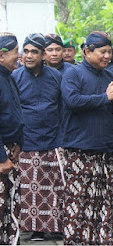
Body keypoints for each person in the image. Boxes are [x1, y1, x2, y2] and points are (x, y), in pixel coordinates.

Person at [61, 31, 113, 245]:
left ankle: (102, 240)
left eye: (109, 52)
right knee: (80, 202)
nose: (108, 56)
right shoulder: (74, 74)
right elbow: (72, 101)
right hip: (81, 149)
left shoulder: (109, 75)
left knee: (106, 201)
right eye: (103, 52)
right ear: (87, 51)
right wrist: (105, 97)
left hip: (106, 148)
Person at [12, 33, 64, 241]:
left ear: (43, 55)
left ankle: (58, 227)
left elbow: (63, 107)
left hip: (55, 138)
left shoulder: (56, 77)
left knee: (56, 186)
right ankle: (36, 230)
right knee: (32, 188)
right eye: (26, 51)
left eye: (34, 52)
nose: (29, 56)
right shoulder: (15, 77)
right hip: (27, 140)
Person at [0, 32, 23, 245]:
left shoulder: (8, 77)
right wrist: (1, 159)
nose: (20, 55)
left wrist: (18, 144)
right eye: (16, 52)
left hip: (10, 149)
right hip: (1, 155)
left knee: (10, 207)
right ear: (1, 56)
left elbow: (15, 113)